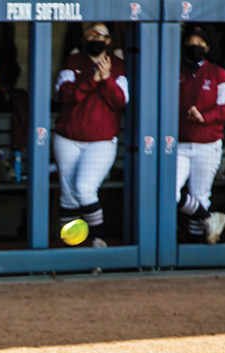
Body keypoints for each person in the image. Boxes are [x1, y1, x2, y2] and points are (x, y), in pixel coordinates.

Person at [53, 22, 129, 248]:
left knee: (85, 188)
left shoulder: (117, 65)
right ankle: (73, 246)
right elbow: (64, 93)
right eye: (91, 35)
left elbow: (120, 101)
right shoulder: (74, 61)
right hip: (68, 137)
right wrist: (92, 80)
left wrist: (105, 79)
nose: (95, 39)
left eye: (101, 36)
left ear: (108, 40)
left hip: (101, 140)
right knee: (68, 195)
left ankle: (97, 239)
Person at [176, 25, 225, 244]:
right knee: (169, 191)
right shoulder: (175, 70)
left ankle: (193, 245)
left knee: (200, 196)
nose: (195, 47)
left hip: (208, 143)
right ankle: (210, 218)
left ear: (208, 48)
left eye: (200, 44)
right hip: (179, 144)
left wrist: (204, 116)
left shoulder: (218, 73)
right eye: (191, 43)